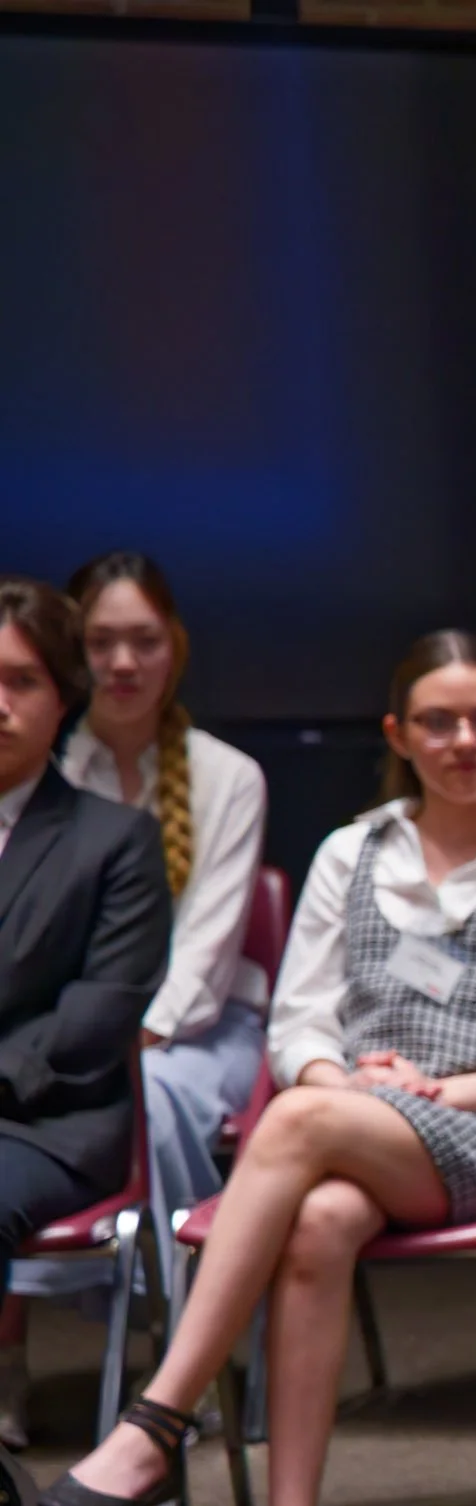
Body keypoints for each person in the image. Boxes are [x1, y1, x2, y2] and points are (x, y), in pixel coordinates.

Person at [39, 629, 476, 1506]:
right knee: (318, 1219)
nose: (465, 739)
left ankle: (159, 1415)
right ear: (400, 734)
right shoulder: (352, 850)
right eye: (439, 720)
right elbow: (300, 1023)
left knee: (301, 1120)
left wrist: (450, 1089)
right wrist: (342, 1079)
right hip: (358, 1123)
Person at [1, 555, 269, 1445]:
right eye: (102, 641)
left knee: (157, 1100)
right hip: (55, 1038)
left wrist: (131, 1035)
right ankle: (12, 1359)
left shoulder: (222, 777)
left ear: (174, 648)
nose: (122, 661)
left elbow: (203, 950)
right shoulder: (48, 755)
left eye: (142, 641)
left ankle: (182, 1354)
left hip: (193, 1020)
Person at [0, 578, 172, 1506]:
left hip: (51, 1124)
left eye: (20, 680)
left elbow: (96, 1020)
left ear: (63, 694)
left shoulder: (114, 841)